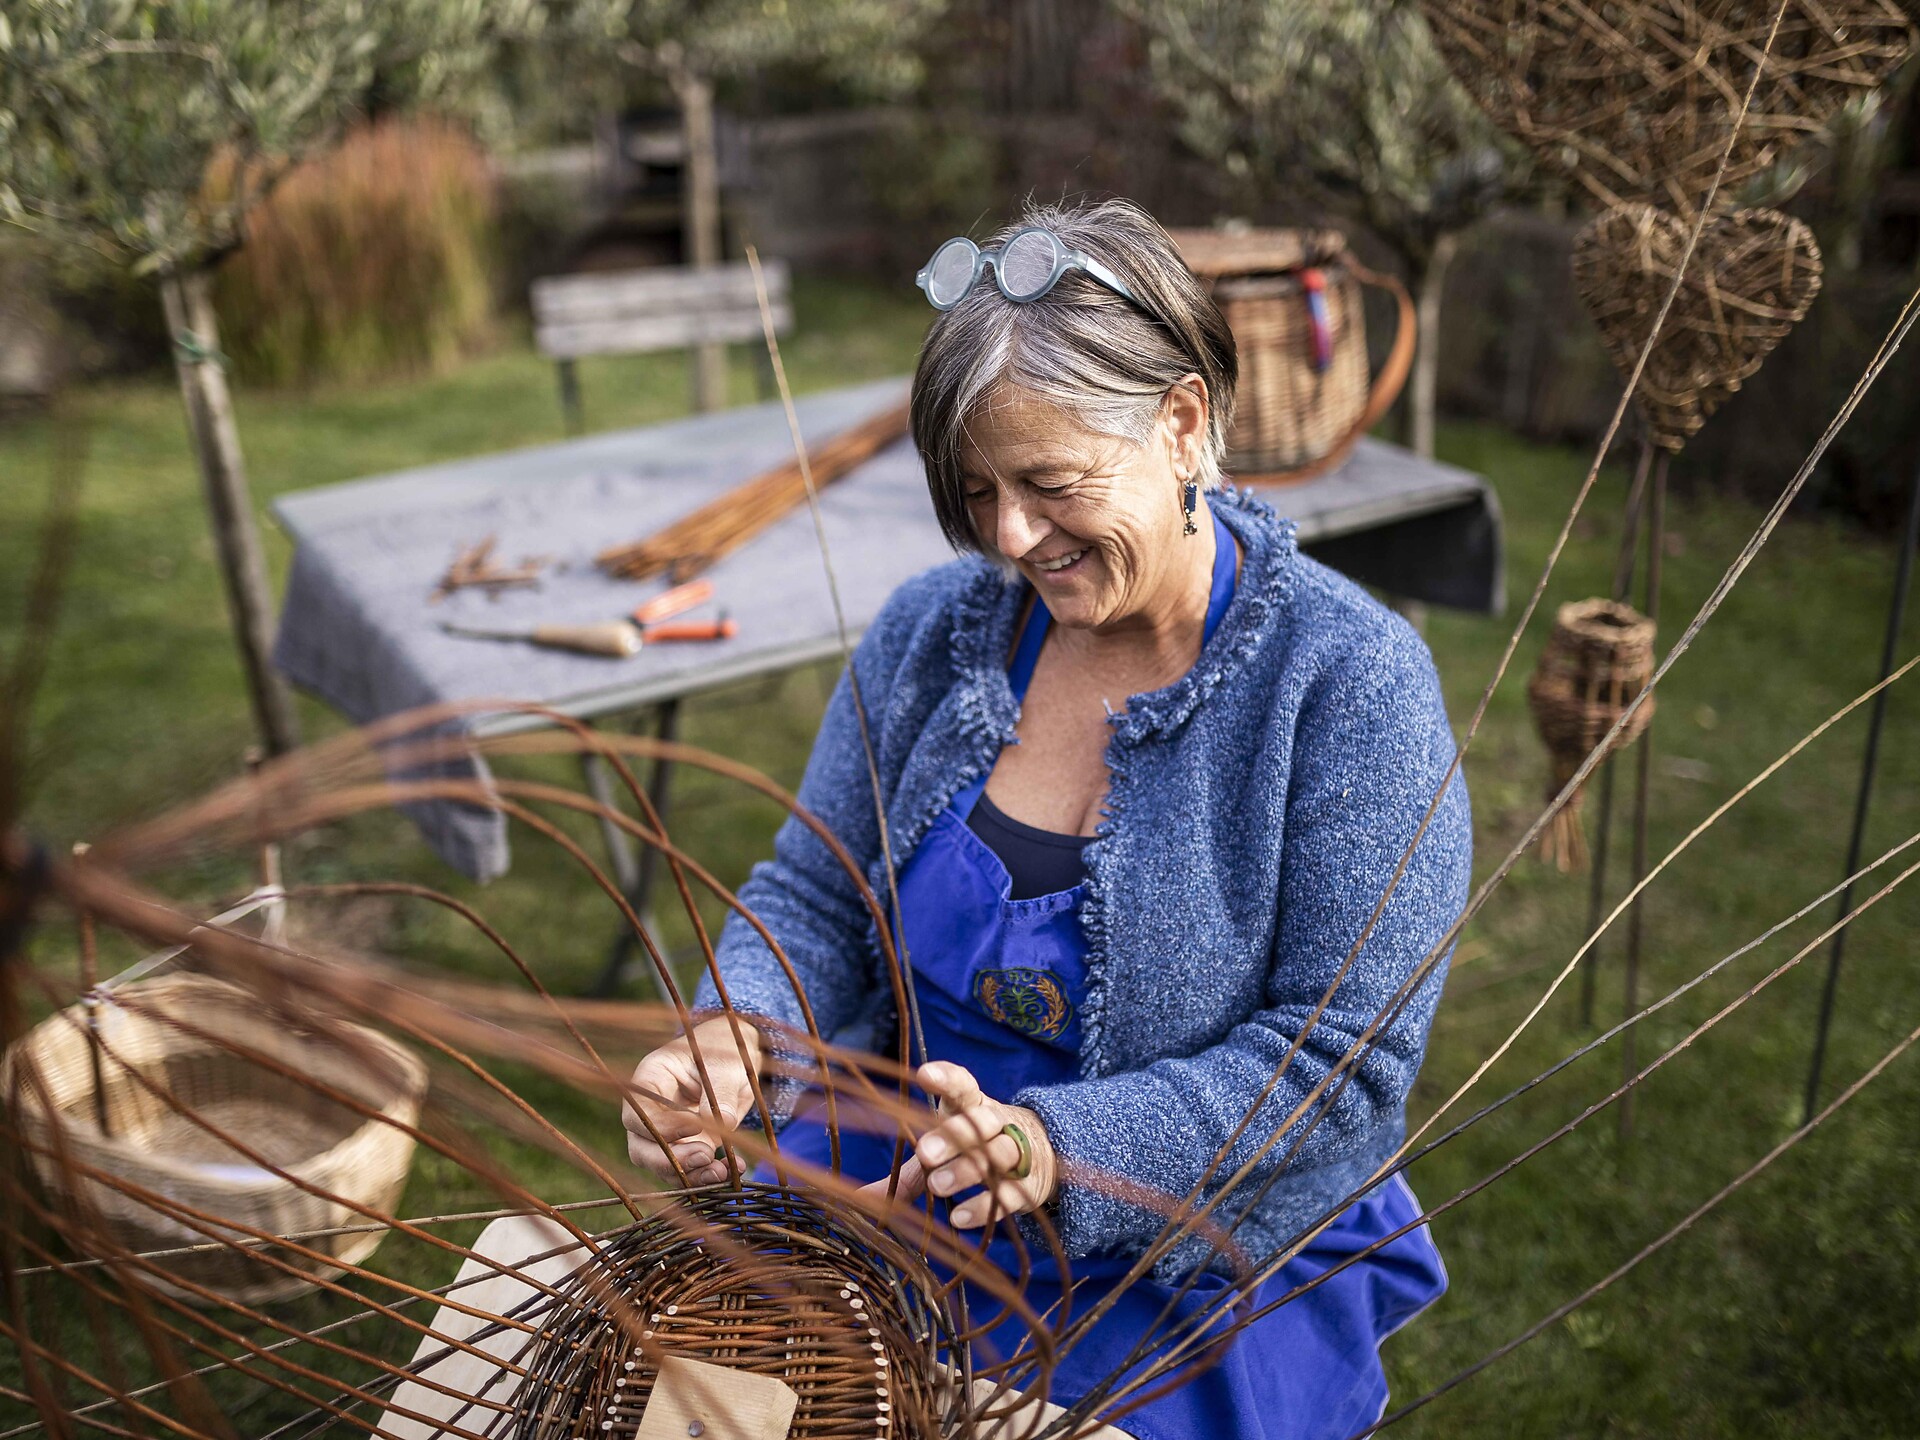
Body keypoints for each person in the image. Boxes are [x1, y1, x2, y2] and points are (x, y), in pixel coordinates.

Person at [623, 197, 1471, 1439]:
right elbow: (815, 892)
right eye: (977, 493)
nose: (1012, 537)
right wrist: (735, 1034)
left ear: (1182, 422)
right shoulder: (938, 630)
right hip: (893, 1161)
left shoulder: (1349, 687)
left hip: (1173, 1239)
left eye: (1051, 483)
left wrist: (1052, 1149)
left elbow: (1340, 1060)